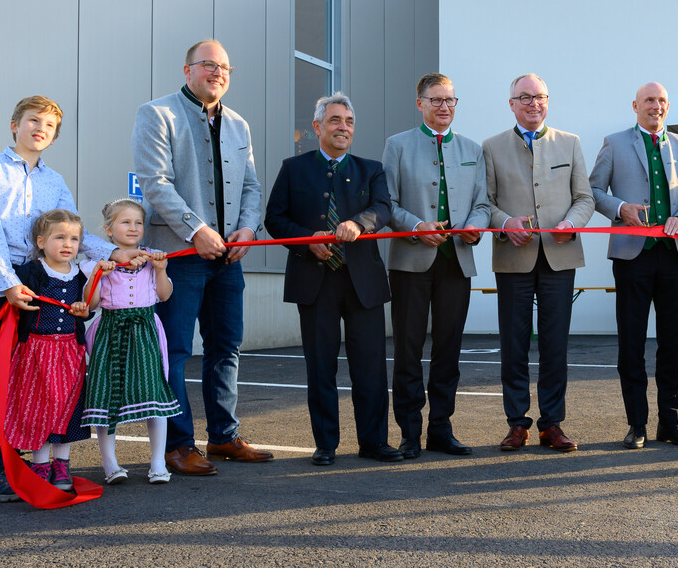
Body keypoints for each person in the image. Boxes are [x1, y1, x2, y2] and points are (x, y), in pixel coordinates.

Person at [0, 95, 131, 502]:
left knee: (28, 375)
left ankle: (20, 457)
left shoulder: (54, 182)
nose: (40, 129)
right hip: (1, 278)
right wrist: (8, 283)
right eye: (33, 121)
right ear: (14, 125)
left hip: (45, 280)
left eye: (50, 126)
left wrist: (113, 253)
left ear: (54, 136)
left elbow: (72, 232)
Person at [132, 40, 272, 476]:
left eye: (225, 67)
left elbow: (251, 186)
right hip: (178, 255)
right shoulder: (157, 114)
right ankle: (177, 445)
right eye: (209, 64)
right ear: (187, 69)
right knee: (174, 351)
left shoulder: (239, 125)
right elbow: (154, 182)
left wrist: (248, 228)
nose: (218, 72)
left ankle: (224, 435)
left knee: (226, 346)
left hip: (228, 258)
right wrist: (197, 230)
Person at [264, 93, 401, 466]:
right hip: (314, 281)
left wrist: (359, 223)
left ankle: (374, 442)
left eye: (349, 122)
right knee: (320, 367)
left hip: (363, 283)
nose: (343, 127)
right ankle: (325, 443)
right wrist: (307, 241)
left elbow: (383, 208)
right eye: (336, 120)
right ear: (317, 127)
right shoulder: (293, 168)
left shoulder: (371, 169)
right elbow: (274, 219)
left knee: (370, 367)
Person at [588, 81, 678, 450]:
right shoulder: (614, 143)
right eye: (649, 100)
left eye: (662, 101)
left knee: (673, 343)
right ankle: (636, 423)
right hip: (632, 256)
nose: (656, 106)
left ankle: (671, 422)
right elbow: (593, 191)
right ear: (635, 105)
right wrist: (619, 208)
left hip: (675, 255)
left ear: (667, 106)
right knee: (632, 342)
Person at [482, 74, 595, 453]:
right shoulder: (491, 147)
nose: (534, 103)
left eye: (540, 97)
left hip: (559, 257)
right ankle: (517, 424)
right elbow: (486, 202)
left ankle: (552, 424)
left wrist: (571, 224)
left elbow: (585, 198)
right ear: (511, 104)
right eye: (525, 97)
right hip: (513, 256)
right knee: (513, 345)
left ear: (548, 101)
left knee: (555, 345)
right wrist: (505, 223)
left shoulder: (570, 142)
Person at [382, 73, 490, 458]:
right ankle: (410, 432)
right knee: (408, 349)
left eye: (450, 100)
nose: (444, 106)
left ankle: (441, 428)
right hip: (410, 261)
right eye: (436, 100)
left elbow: (482, 203)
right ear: (420, 103)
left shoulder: (472, 149)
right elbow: (387, 203)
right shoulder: (397, 145)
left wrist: (475, 227)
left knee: (449, 349)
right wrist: (416, 227)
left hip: (456, 261)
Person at [0, 210, 102, 492]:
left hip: (69, 352)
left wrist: (83, 310)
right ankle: (40, 464)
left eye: (74, 239)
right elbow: (14, 301)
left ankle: (62, 464)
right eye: (60, 237)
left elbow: (88, 308)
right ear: (41, 242)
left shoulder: (80, 274)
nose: (68, 244)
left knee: (67, 408)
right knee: (37, 408)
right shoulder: (31, 272)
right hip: (35, 352)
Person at [80, 199, 180, 485]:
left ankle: (158, 462)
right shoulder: (97, 262)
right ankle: (110, 463)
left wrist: (160, 269)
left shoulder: (151, 258)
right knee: (106, 395)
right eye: (125, 222)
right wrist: (99, 274)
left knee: (155, 394)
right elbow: (91, 304)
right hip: (111, 330)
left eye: (138, 222)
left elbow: (164, 296)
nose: (133, 227)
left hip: (145, 329)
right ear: (109, 230)